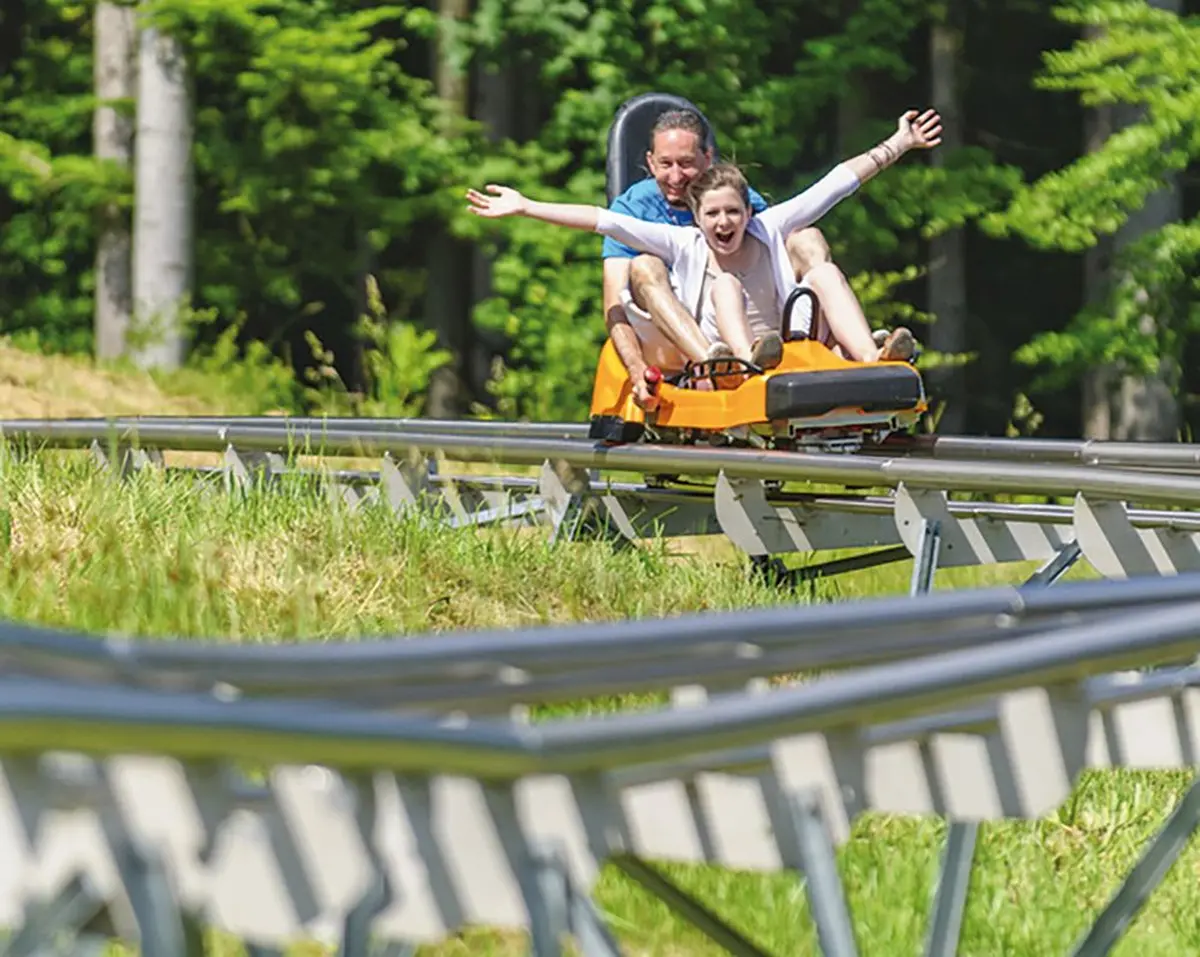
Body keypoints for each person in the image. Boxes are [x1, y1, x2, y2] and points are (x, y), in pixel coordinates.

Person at [466, 108, 942, 391]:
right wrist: (527, 206)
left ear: (749, 210)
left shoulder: (770, 226)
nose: (723, 223)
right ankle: (738, 367)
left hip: (786, 337)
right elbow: (600, 219)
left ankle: (871, 361)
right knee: (727, 285)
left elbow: (836, 184)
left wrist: (899, 143)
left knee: (825, 274)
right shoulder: (682, 241)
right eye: (712, 215)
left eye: (733, 213)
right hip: (736, 351)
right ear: (696, 218)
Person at [601, 108, 923, 408]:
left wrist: (899, 143)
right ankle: (716, 366)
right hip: (681, 339)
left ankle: (847, 351)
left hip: (756, 324)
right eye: (665, 164)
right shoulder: (641, 215)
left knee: (806, 238)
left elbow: (833, 187)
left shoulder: (739, 202)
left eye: (685, 163)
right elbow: (613, 299)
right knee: (648, 265)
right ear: (651, 162)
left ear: (707, 158)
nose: (675, 176)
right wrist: (635, 369)